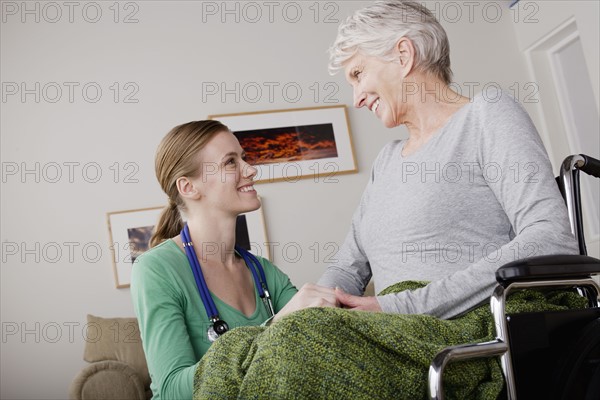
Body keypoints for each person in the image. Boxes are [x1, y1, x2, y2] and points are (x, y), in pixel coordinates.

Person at [317, 0, 579, 319]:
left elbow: (550, 239)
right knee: (254, 342)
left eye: (358, 74)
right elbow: (346, 269)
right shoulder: (386, 161)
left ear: (403, 55)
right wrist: (314, 305)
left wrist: (402, 306)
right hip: (397, 332)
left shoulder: (486, 115)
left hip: (461, 330)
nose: (356, 98)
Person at [131, 120, 338, 399]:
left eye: (244, 158)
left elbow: (313, 341)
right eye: (230, 162)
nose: (250, 170)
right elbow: (172, 391)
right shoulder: (157, 270)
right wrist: (275, 326)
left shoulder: (263, 272)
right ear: (188, 187)